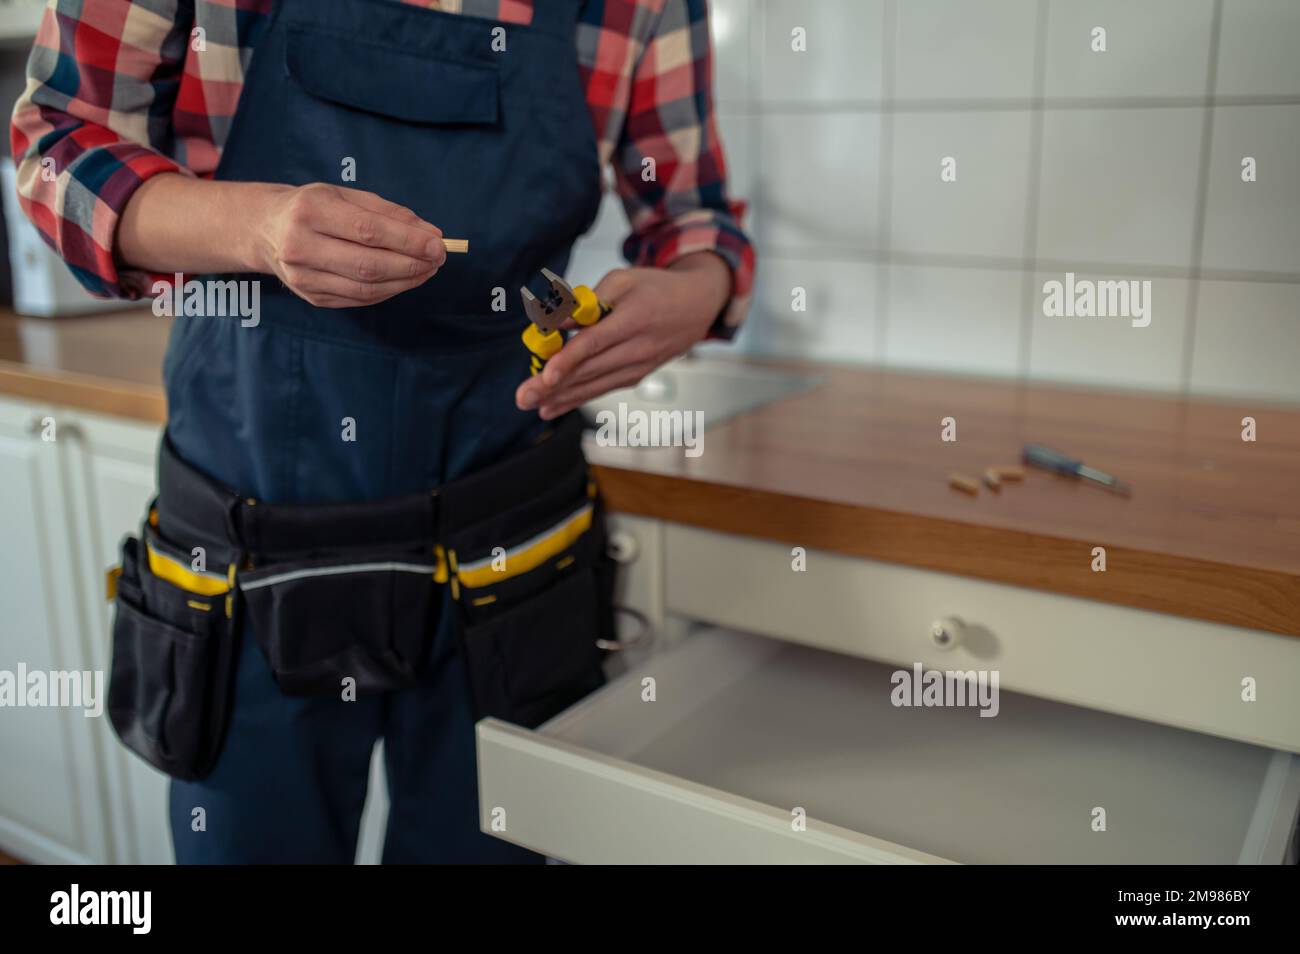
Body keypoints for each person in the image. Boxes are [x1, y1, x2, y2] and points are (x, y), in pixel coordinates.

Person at [11, 0, 752, 864]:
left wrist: (693, 292)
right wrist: (257, 228)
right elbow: (54, 153)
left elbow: (695, 219)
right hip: (252, 554)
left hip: (512, 556)